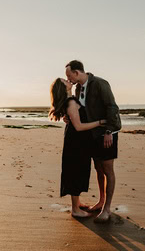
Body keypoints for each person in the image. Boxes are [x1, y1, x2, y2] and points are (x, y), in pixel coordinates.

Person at [65, 60, 121, 223]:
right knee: (98, 167)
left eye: (69, 75)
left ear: (77, 72)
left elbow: (112, 107)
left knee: (107, 168)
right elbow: (80, 109)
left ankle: (107, 208)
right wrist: (69, 116)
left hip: (107, 132)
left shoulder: (100, 84)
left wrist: (109, 131)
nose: (68, 79)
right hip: (91, 134)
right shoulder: (77, 88)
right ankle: (101, 201)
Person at [49, 78, 106, 218]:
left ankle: (77, 203)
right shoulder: (71, 102)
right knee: (76, 171)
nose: (68, 80)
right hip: (76, 142)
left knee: (77, 170)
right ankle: (75, 209)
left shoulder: (71, 100)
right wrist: (99, 123)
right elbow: (79, 126)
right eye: (65, 81)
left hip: (75, 141)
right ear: (63, 88)